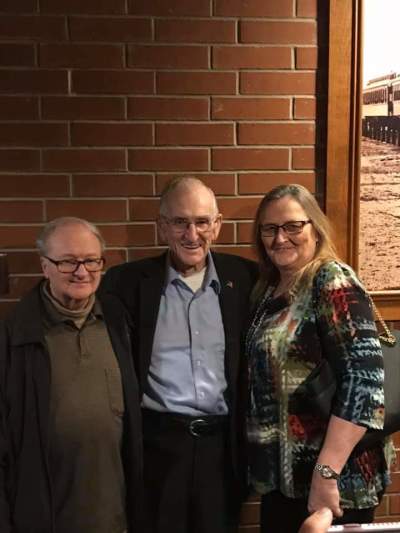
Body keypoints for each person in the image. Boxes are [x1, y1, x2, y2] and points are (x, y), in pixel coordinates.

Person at [101, 176, 258, 533]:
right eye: (180, 222)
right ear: (161, 227)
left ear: (217, 226)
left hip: (222, 450)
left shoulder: (246, 278)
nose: (192, 234)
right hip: (159, 447)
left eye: (202, 222)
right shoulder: (124, 284)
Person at [245, 184, 392, 533]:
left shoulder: (331, 279)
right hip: (285, 482)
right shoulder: (268, 289)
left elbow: (365, 383)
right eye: (270, 228)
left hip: (335, 482)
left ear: (315, 227)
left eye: (293, 226)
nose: (281, 238)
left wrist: (326, 475)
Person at [0, 217, 143, 533]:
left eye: (91, 261)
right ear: (44, 266)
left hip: (114, 517)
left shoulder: (119, 323)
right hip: (45, 519)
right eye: (67, 262)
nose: (82, 272)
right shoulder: (16, 336)